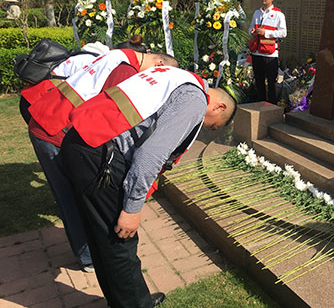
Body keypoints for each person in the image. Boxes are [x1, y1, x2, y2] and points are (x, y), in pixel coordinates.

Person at [60, 66, 236, 308]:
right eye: (212, 125)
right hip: (101, 157)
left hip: (81, 140)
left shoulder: (175, 75)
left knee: (101, 234)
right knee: (120, 239)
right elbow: (150, 154)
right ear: (219, 107)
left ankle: (122, 301)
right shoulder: (195, 100)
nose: (205, 127)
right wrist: (131, 209)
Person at [25, 49, 178, 272]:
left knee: (72, 194)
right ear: (160, 65)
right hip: (54, 130)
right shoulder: (125, 71)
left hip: (51, 119)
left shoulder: (119, 56)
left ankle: (88, 250)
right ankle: (88, 257)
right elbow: (111, 119)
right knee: (72, 197)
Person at [248, 0, 287, 104]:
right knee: (259, 82)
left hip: (270, 54)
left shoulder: (278, 14)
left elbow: (283, 33)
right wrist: (252, 31)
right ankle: (260, 106)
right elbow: (250, 27)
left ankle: (272, 108)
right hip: (256, 52)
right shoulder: (257, 13)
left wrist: (266, 33)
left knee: (271, 83)